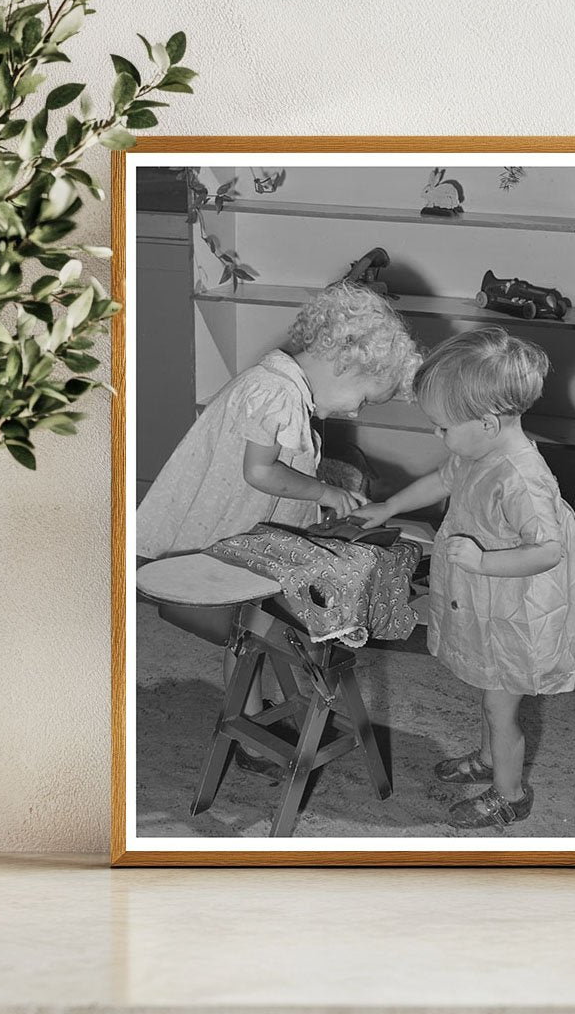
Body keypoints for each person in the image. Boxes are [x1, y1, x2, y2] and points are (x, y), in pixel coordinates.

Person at [138, 281, 422, 778]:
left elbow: (279, 462)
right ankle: (251, 731)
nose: (356, 411)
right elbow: (261, 472)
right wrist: (326, 493)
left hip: (241, 523)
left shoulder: (280, 383)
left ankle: (258, 713)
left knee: (254, 633)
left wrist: (330, 481)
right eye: (363, 397)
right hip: (229, 531)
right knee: (250, 633)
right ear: (342, 362)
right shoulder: (277, 392)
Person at [355, 328, 575, 829]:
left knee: (499, 707)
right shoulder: (477, 450)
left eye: (441, 427)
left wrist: (485, 562)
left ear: (487, 423)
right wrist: (391, 506)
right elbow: (445, 478)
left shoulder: (522, 479)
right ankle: (488, 761)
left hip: (516, 610)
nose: (437, 435)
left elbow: (549, 551)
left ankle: (510, 793)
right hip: (486, 601)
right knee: (487, 691)